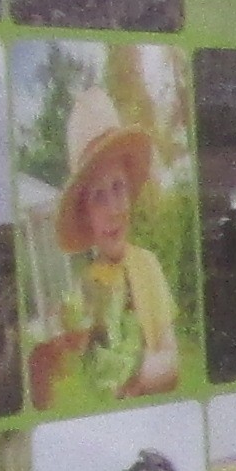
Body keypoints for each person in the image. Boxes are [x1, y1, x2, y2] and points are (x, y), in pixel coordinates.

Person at [29, 79, 184, 407]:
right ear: (85, 215)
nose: (114, 209)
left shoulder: (147, 265)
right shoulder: (86, 287)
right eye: (99, 196)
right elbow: (83, 366)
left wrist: (136, 373)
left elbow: (171, 361)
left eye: (118, 188)